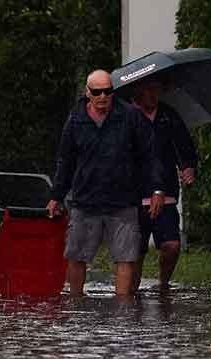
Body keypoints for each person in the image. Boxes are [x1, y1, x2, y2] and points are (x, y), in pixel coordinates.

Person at [46, 69, 165, 297]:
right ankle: (76, 303)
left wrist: (157, 189)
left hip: (123, 201)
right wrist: (56, 195)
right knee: (76, 255)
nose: (103, 97)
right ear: (87, 93)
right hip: (85, 200)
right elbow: (66, 160)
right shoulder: (76, 119)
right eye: (97, 92)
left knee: (125, 256)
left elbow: (150, 155)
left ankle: (123, 309)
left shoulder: (130, 116)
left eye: (108, 91)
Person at [131, 76, 198, 292]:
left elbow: (184, 146)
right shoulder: (126, 117)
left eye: (156, 90)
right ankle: (132, 290)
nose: (153, 95)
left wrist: (188, 167)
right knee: (136, 250)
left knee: (171, 245)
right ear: (138, 91)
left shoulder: (169, 116)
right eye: (148, 90)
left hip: (167, 192)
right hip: (134, 194)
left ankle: (163, 283)